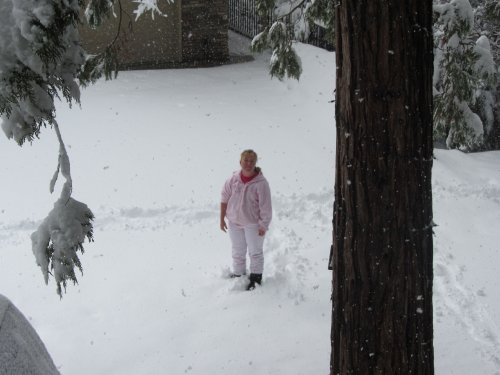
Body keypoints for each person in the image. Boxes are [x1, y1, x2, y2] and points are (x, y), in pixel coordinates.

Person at [220, 149, 272, 290]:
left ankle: (255, 278)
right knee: (237, 250)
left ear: (255, 163)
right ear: (240, 161)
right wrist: (222, 218)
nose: (248, 163)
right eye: (246, 160)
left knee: (255, 252)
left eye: (252, 161)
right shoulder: (233, 179)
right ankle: (239, 275)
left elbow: (266, 207)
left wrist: (263, 225)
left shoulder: (261, 183)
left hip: (252, 224)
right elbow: (224, 197)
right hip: (234, 222)